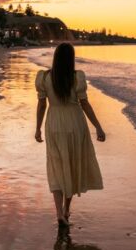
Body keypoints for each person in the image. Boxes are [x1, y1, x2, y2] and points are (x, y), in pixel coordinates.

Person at [34, 43, 105, 228]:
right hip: (75, 124)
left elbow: (42, 105)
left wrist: (37, 128)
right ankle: (66, 210)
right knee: (71, 165)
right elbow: (85, 104)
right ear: (71, 58)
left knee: (57, 166)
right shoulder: (77, 77)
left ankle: (59, 213)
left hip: (54, 123)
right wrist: (98, 127)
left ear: (56, 57)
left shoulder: (45, 77)